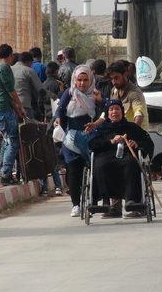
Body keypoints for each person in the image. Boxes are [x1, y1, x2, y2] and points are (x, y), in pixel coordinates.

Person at [88, 99, 154, 219]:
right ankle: (106, 201)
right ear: (107, 113)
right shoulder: (101, 129)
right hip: (105, 156)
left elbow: (147, 142)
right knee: (101, 165)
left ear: (122, 112)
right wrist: (110, 141)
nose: (114, 112)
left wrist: (136, 144)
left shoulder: (131, 127)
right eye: (111, 109)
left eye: (117, 109)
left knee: (131, 163)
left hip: (127, 156)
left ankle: (131, 200)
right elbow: (92, 144)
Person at [54, 65, 100, 217]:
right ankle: (75, 204)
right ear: (74, 79)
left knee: (95, 168)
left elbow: (104, 111)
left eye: (85, 80)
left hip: (90, 135)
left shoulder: (95, 94)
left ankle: (93, 201)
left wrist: (100, 101)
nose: (82, 83)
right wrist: (58, 119)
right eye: (79, 80)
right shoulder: (69, 93)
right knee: (73, 171)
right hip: (71, 138)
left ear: (90, 80)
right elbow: (59, 110)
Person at [0, 44, 26, 185]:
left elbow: (6, 94)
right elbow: (11, 91)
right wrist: (21, 106)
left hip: (2, 109)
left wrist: (17, 109)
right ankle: (5, 173)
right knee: (13, 142)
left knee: (7, 141)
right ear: (10, 55)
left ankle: (1, 172)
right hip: (3, 110)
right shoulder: (5, 68)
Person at [87, 60, 149, 132]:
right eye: (111, 79)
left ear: (125, 74)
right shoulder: (114, 90)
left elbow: (139, 114)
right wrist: (94, 124)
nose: (114, 82)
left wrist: (132, 133)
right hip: (121, 133)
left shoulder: (135, 93)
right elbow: (107, 112)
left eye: (116, 78)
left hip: (138, 136)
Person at [40, 61, 64, 196]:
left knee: (45, 155)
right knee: (54, 156)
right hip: (57, 122)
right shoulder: (58, 85)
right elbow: (61, 102)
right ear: (56, 72)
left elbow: (40, 104)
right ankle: (58, 186)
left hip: (47, 122)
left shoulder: (42, 86)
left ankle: (44, 187)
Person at [12, 51, 45, 120]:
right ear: (29, 62)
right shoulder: (29, 70)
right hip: (24, 106)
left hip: (10, 106)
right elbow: (40, 90)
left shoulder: (9, 69)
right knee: (31, 128)